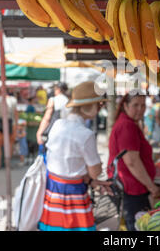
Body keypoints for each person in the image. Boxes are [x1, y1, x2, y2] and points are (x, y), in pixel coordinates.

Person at [37, 81, 112, 231]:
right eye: (99, 104)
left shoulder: (57, 124)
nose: (100, 108)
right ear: (89, 106)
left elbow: (67, 166)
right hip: (74, 194)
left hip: (53, 191)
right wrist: (95, 172)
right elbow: (95, 172)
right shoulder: (86, 134)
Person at [108, 92, 160, 231]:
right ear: (125, 105)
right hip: (131, 189)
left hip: (130, 187)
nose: (140, 109)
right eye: (135, 105)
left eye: (143, 105)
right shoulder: (127, 126)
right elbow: (131, 161)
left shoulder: (128, 123)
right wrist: (151, 185)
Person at [36, 83, 69, 152]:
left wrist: (39, 132)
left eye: (55, 89)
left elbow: (47, 118)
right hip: (67, 132)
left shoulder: (53, 100)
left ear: (58, 90)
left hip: (54, 132)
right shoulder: (69, 101)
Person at [0, 89, 19, 169]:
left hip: (1, 123)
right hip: (12, 123)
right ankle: (8, 164)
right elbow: (16, 113)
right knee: (10, 144)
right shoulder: (13, 100)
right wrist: (16, 125)